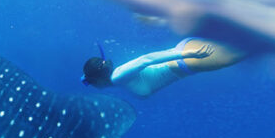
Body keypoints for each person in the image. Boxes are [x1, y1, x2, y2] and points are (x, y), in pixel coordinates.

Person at [82, 38, 244, 97]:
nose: (92, 87)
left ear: (98, 79)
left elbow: (147, 59)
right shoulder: (117, 79)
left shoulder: (117, 77)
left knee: (248, 49)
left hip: (188, 60)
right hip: (186, 59)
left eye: (90, 83)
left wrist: (187, 54)